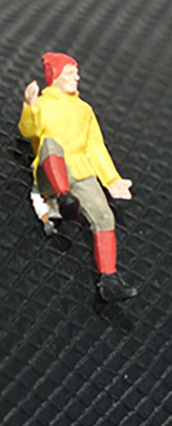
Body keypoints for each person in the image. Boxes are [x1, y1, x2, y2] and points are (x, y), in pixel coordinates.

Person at [18, 52, 138, 302]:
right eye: (71, 73)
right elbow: (29, 132)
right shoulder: (43, 104)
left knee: (104, 216)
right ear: (56, 76)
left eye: (76, 73)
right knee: (50, 143)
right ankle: (64, 198)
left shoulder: (85, 110)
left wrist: (112, 180)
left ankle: (109, 279)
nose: (77, 77)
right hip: (51, 171)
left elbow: (95, 146)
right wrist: (30, 106)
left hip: (81, 171)